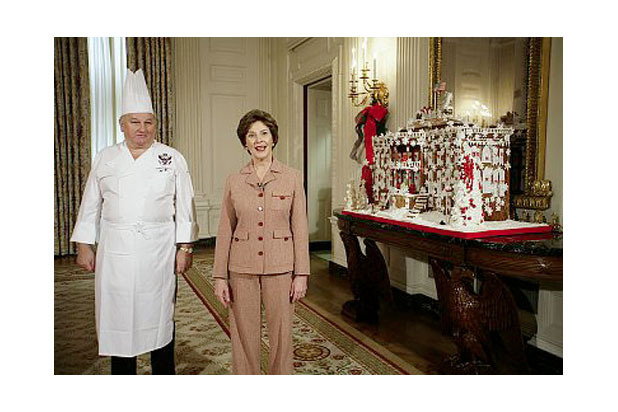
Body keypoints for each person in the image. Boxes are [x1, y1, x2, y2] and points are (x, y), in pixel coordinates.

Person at [71, 69, 198, 374]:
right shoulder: (105, 158)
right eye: (135, 122)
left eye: (148, 122)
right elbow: (91, 203)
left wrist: (185, 248)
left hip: (159, 248)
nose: (142, 129)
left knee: (159, 312)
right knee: (118, 313)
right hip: (116, 249)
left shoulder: (172, 158)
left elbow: (185, 206)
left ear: (155, 124)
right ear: (122, 125)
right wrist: (83, 245)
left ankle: (162, 375)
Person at [213, 109, 309, 375]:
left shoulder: (292, 177)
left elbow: (300, 228)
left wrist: (301, 273)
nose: (259, 140)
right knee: (243, 335)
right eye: (251, 135)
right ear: (244, 142)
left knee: (281, 335)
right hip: (241, 267)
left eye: (264, 133)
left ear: (273, 138)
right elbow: (225, 230)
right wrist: (220, 276)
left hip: (281, 266)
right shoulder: (234, 180)